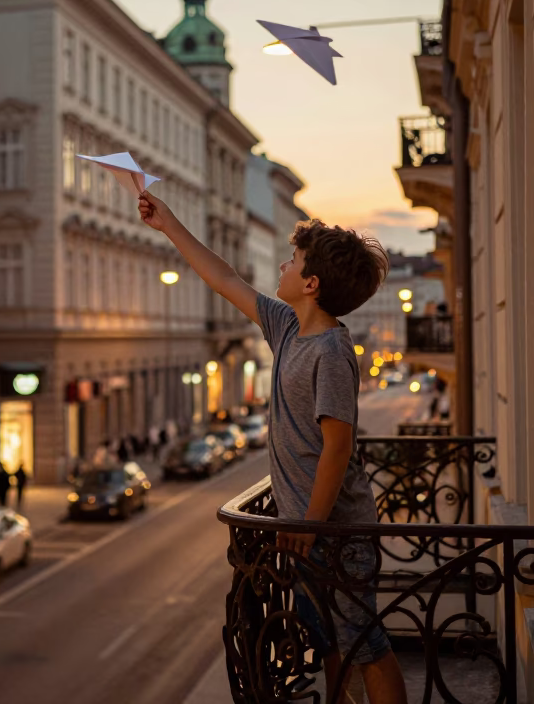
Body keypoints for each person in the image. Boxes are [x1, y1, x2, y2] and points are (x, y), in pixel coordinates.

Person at [139, 192, 407, 704]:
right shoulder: (287, 328)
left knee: (366, 645)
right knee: (330, 640)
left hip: (333, 529)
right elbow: (225, 279)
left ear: (310, 284)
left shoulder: (331, 350)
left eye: (294, 261)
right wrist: (167, 223)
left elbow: (337, 448)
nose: (282, 265)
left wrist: (307, 524)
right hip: (304, 529)